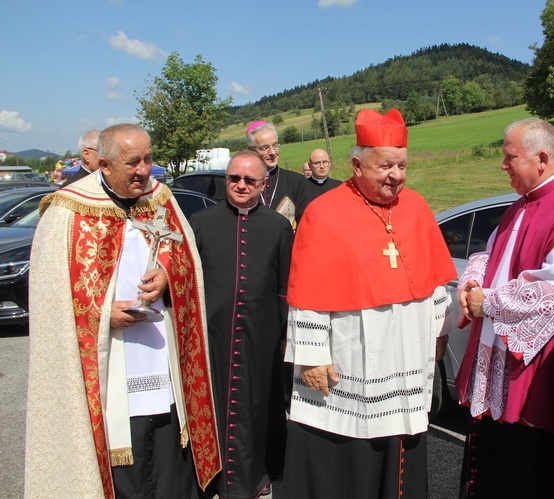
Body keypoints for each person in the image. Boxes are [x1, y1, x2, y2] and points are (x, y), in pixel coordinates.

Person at [24, 123, 221, 498]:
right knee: (121, 452)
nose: (144, 170)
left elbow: (186, 262)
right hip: (108, 360)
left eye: (148, 159)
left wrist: (167, 277)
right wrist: (101, 314)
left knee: (167, 446)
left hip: (162, 354)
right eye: (133, 162)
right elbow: (50, 298)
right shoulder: (67, 211)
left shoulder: (161, 199)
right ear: (103, 164)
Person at [283, 108, 457, 498]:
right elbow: (307, 292)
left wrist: (440, 331)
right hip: (350, 356)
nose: (396, 175)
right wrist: (311, 355)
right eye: (385, 166)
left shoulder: (416, 206)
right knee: (350, 453)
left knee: (401, 446)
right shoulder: (324, 212)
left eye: (402, 165)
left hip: (407, 356)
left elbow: (435, 282)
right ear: (357, 164)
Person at [455, 118, 554, 498]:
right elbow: (490, 253)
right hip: (506, 371)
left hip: (540, 381)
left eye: (510, 157)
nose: (503, 166)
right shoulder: (521, 205)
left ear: (541, 158)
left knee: (533, 476)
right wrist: (473, 278)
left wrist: (488, 302)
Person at [190, 150, 293, 498]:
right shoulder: (202, 222)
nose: (241, 185)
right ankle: (214, 476)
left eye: (250, 180)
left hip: (261, 336)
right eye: (234, 178)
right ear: (226, 180)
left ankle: (255, 475)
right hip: (213, 337)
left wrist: (284, 334)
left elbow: (284, 288)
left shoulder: (278, 226)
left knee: (257, 408)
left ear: (263, 184)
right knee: (215, 405)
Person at [246, 120, 305, 227]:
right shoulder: (244, 183)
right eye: (265, 148)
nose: (272, 152)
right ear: (251, 150)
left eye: (275, 145)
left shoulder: (297, 181)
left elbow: (304, 223)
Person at [296, 148, 342, 220]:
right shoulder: (302, 188)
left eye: (325, 162)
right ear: (310, 165)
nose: (322, 166)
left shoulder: (339, 186)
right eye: (317, 163)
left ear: (329, 163)